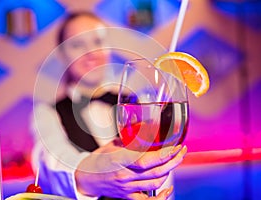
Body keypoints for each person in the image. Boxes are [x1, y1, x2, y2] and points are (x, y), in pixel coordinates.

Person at [31, 11, 187, 200]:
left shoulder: (141, 106)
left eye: (98, 42)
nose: (90, 53)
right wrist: (89, 174)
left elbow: (161, 173)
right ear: (62, 55)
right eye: (77, 44)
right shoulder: (47, 113)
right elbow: (50, 159)